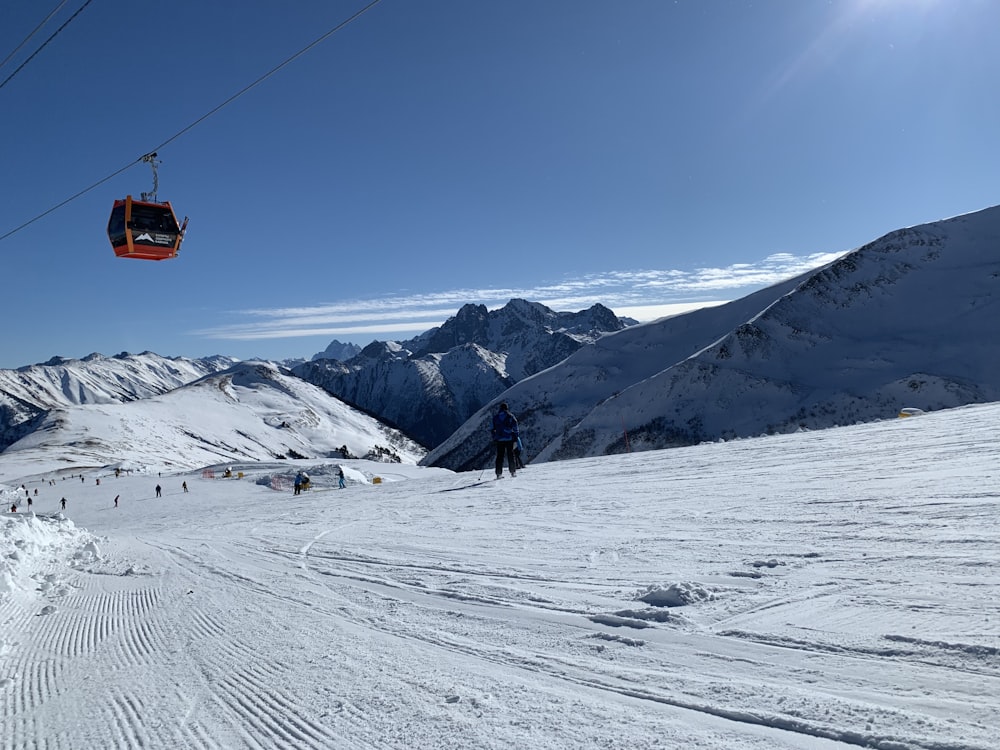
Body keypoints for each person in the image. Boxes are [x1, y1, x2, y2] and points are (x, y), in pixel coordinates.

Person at [491, 402, 519, 479]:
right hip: (509, 438)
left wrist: (494, 437)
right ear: (506, 408)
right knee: (510, 455)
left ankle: (498, 473)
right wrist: (516, 436)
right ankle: (513, 472)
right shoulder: (510, 416)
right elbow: (515, 426)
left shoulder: (495, 417)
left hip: (499, 439)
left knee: (500, 456)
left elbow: (492, 428)